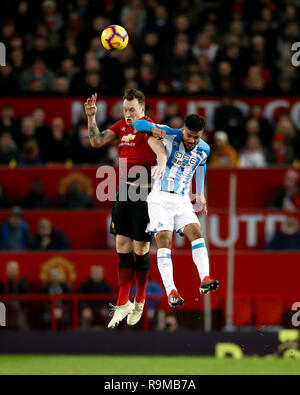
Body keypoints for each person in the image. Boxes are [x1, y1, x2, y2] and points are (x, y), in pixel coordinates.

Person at [84, 89, 166, 329]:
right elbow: (96, 141)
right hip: (124, 191)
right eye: (125, 110)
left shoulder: (148, 127)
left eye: (132, 110)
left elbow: (160, 150)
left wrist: (161, 165)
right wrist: (91, 117)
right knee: (121, 245)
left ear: (142, 108)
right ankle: (123, 303)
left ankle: (139, 300)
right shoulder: (121, 126)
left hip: (145, 192)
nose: (128, 114)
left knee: (141, 248)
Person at [133, 114, 219, 307]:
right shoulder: (170, 134)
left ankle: (205, 278)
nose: (192, 141)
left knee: (197, 233)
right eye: (189, 136)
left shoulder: (204, 149)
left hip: (182, 199)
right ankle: (171, 290)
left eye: (196, 137)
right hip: (160, 196)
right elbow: (137, 124)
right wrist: (153, 129)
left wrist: (200, 193)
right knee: (164, 238)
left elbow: (201, 166)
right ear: (183, 130)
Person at [79, 265, 113, 329]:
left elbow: (111, 300)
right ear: (91, 274)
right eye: (94, 273)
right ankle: (83, 336)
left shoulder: (107, 286)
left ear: (102, 274)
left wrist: (106, 308)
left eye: (98, 273)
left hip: (103, 310)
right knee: (85, 315)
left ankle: (111, 336)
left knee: (111, 317)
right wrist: (85, 308)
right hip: (89, 309)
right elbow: (80, 299)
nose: (96, 275)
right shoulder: (85, 285)